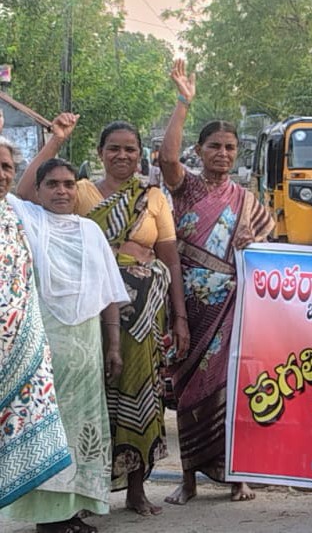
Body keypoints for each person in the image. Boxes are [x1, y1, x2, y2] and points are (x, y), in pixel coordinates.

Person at [21, 117, 191, 515]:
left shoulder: (153, 197)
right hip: (87, 316)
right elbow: (26, 192)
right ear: (100, 153)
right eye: (113, 148)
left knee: (140, 397)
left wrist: (180, 317)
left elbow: (170, 259)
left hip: (144, 321)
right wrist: (56, 140)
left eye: (130, 149)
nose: (122, 155)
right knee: (89, 400)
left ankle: (136, 490)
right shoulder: (78, 191)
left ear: (141, 155)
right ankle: (83, 494)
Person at [159, 59, 274, 505]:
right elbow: (167, 158)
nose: (222, 154)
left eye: (229, 147)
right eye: (214, 146)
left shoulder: (247, 200)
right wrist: (183, 101)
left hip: (232, 310)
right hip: (188, 307)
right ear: (200, 149)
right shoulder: (186, 188)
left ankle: (237, 476)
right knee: (189, 389)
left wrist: (252, 244)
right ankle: (188, 478)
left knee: (231, 389)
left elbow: (268, 256)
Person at [3, 148, 128, 533]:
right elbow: (14, 189)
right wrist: (56, 139)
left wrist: (113, 346)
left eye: (69, 184)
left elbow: (109, 294)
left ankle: (73, 511)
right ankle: (49, 518)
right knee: (48, 428)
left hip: (87, 350)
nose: (61, 191)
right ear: (37, 191)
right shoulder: (28, 222)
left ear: (78, 189)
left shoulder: (90, 232)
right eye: (52, 184)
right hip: (44, 350)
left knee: (84, 427)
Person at [0, 137, 71, 509]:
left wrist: (57, 140)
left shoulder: (14, 213)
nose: (1, 175)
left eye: (6, 167)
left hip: (21, 347)